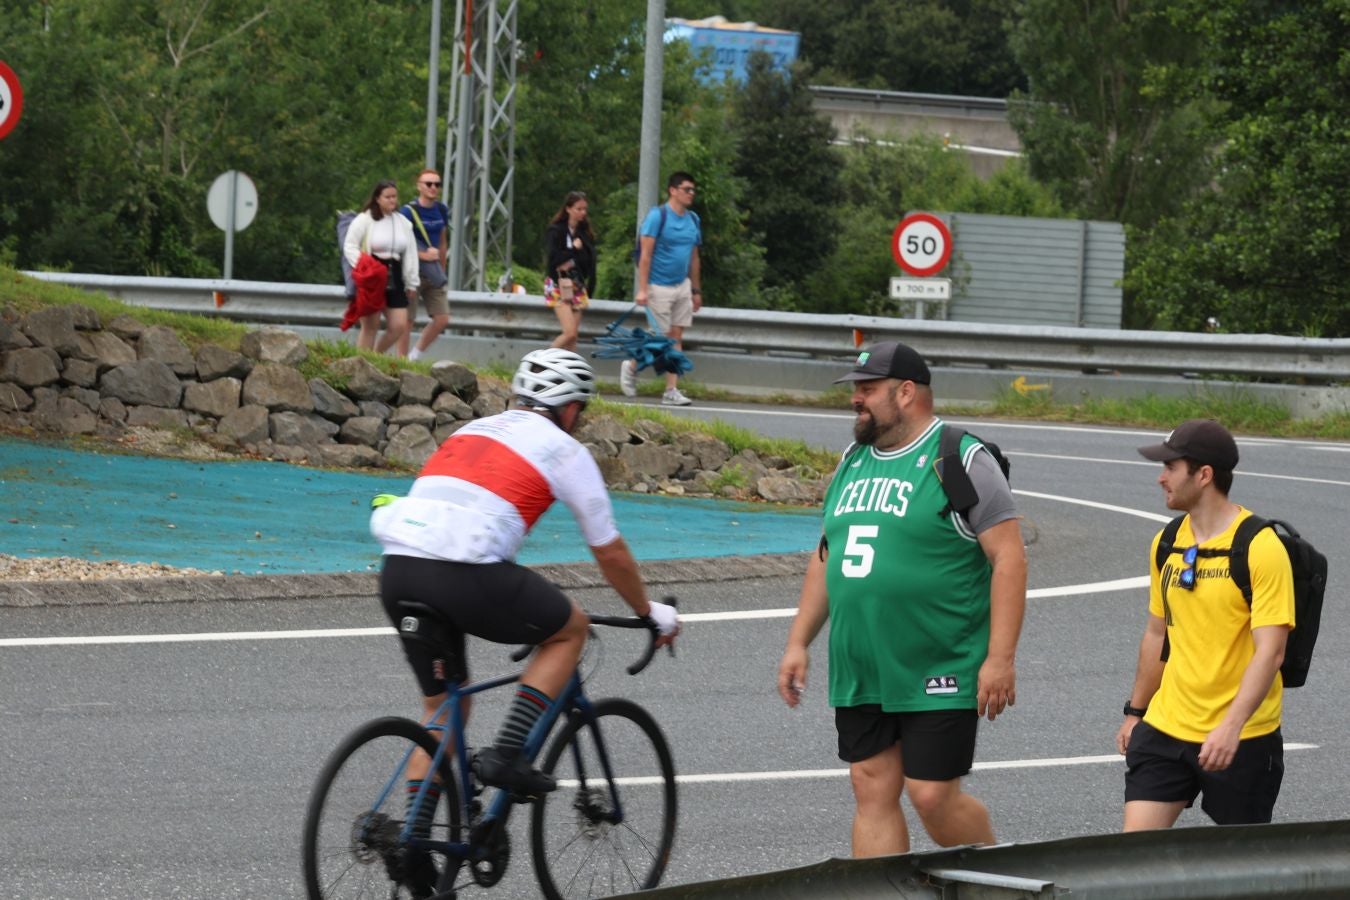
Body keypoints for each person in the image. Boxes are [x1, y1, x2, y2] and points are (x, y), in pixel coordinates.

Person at [371, 348, 680, 805]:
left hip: (398, 569)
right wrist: (648, 611)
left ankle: (409, 845)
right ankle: (508, 755)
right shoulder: (564, 449)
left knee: (443, 712)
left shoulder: (471, 429)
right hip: (464, 570)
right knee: (569, 630)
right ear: (571, 408)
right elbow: (609, 551)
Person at [776, 341, 1026, 858]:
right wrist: (798, 641)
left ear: (907, 393)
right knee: (870, 788)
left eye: (867, 390)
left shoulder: (960, 458)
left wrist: (1000, 659)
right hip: (861, 661)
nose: (856, 400)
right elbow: (829, 555)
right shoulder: (852, 460)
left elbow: (1009, 558)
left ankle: (1006, 878)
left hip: (940, 660)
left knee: (931, 795)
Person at [1117, 419, 1294, 830]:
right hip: (1166, 726)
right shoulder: (1167, 543)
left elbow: (1272, 651)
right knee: (1133, 860)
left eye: (1170, 468)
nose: (1161, 478)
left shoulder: (1260, 547)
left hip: (1241, 736)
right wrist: (1135, 712)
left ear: (1204, 475)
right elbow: (1157, 633)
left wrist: (1231, 726)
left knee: (1240, 874)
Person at [623, 171, 702, 407]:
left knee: (676, 337)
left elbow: (695, 257)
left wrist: (696, 290)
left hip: (682, 285)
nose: (691, 194)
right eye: (687, 189)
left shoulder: (693, 220)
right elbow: (645, 255)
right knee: (660, 339)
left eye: (693, 190)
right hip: (658, 285)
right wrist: (643, 289)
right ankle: (632, 366)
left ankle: (671, 390)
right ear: (673, 190)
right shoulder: (658, 217)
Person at [343, 179, 419, 353]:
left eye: (394, 197)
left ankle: (376, 355)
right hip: (373, 273)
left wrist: (411, 282)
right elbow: (350, 245)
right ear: (377, 198)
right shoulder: (365, 219)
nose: (392, 200)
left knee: (399, 325)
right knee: (371, 325)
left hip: (395, 272)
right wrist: (363, 265)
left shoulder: (403, 222)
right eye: (388, 197)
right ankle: (361, 362)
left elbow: (411, 253)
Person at [399, 168, 452, 360]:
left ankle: (415, 354)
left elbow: (443, 241)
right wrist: (422, 255)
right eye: (429, 184)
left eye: (437, 184)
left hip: (434, 273)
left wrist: (442, 268)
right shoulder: (408, 211)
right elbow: (401, 243)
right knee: (407, 320)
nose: (433, 188)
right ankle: (401, 360)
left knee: (442, 318)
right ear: (419, 186)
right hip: (412, 272)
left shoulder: (441, 210)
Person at [542, 191, 596, 352]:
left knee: (573, 338)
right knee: (570, 333)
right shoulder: (556, 231)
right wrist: (573, 249)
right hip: (558, 284)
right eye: (579, 209)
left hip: (577, 285)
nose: (583, 213)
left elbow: (588, 261)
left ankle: (567, 374)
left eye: (584, 209)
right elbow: (553, 258)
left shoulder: (584, 234)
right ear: (568, 209)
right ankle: (541, 362)